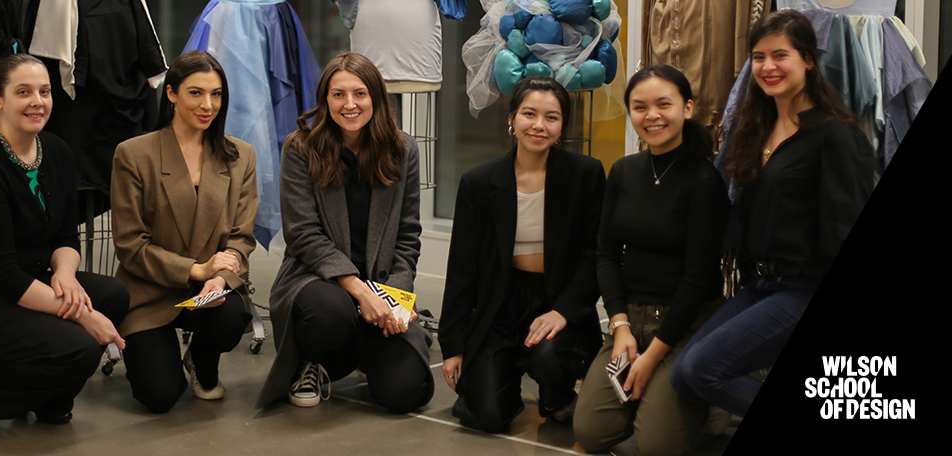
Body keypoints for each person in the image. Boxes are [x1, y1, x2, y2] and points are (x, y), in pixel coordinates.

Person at [670, 9, 876, 417]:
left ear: (808, 60)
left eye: (780, 55)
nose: (768, 67)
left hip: (803, 288)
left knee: (702, 370)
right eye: (758, 57)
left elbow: (844, 226)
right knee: (684, 375)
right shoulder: (756, 126)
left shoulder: (835, 134)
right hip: (760, 284)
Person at [0, 53, 129, 433]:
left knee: (112, 294)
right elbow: (3, 275)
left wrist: (65, 274)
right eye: (24, 92)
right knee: (78, 345)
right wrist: (82, 314)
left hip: (23, 279)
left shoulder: (57, 151)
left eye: (45, 91)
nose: (38, 101)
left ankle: (48, 394)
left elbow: (65, 235)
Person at [255, 52, 432, 413]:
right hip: (317, 282)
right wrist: (358, 291)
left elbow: (408, 235)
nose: (349, 104)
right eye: (338, 95)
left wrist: (395, 298)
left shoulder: (404, 150)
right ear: (325, 100)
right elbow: (303, 234)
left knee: (407, 393)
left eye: (360, 93)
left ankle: (368, 351)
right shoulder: (301, 148)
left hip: (381, 285)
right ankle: (311, 362)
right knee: (331, 314)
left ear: (376, 99)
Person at [572, 65, 730, 455]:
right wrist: (621, 326)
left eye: (664, 104)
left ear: (687, 108)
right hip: (631, 320)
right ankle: (654, 395)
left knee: (657, 447)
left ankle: (697, 398)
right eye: (640, 107)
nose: (652, 116)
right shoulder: (624, 171)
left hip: (684, 323)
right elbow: (607, 254)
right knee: (591, 434)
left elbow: (698, 279)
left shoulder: (704, 181)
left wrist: (652, 355)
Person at [439, 76, 605, 433]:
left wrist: (563, 311)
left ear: (562, 126)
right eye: (529, 113)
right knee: (484, 416)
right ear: (511, 120)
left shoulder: (586, 175)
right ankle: (502, 378)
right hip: (501, 305)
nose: (539, 125)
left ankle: (557, 395)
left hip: (555, 299)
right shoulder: (478, 183)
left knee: (550, 358)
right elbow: (462, 268)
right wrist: (453, 344)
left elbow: (596, 254)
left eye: (552, 117)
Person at [110, 50, 257, 413]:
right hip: (149, 289)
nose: (208, 105)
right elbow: (130, 245)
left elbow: (240, 237)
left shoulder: (241, 156)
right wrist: (197, 269)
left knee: (231, 317)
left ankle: (203, 364)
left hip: (210, 290)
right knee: (159, 396)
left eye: (217, 94)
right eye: (196, 93)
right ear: (172, 94)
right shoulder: (133, 155)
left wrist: (219, 277)